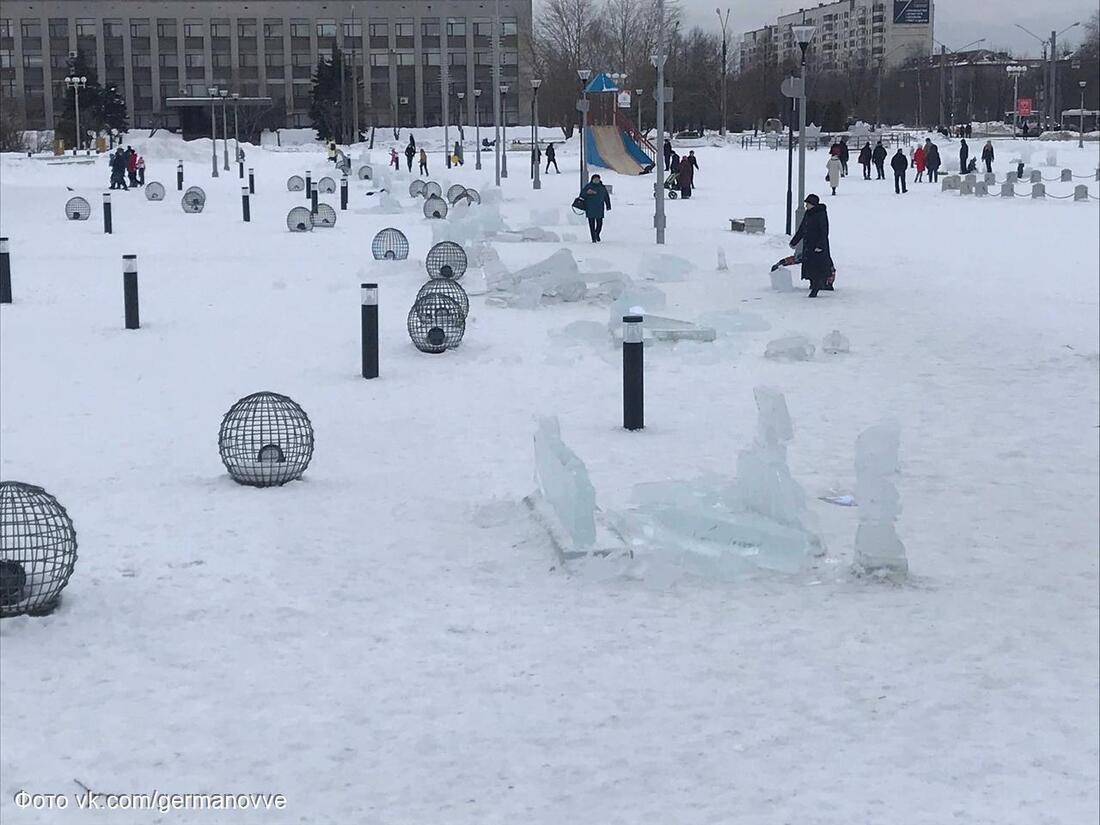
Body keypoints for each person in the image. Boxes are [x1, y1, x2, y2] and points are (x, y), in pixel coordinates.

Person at [789, 193, 832, 298]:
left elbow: (824, 231)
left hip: (818, 246)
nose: (806, 206)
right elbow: (802, 229)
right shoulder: (808, 213)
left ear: (813, 204)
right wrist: (794, 241)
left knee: (817, 267)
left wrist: (820, 245)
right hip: (809, 245)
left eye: (807, 203)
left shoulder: (821, 214)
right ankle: (813, 285)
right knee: (810, 267)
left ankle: (816, 287)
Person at [578, 173, 611, 243]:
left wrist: (608, 205)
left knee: (600, 223)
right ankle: (593, 237)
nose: (596, 180)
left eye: (597, 179)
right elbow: (581, 195)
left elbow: (606, 197)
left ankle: (597, 234)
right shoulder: (588, 186)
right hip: (590, 208)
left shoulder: (602, 187)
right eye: (595, 179)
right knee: (591, 224)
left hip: (599, 208)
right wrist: (587, 192)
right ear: (592, 180)